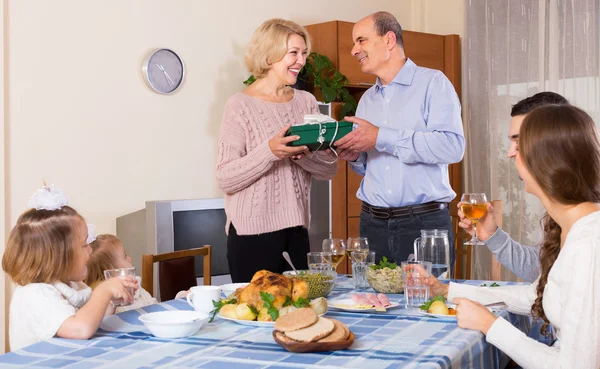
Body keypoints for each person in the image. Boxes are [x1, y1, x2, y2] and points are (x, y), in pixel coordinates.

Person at [423, 104, 600, 369]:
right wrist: (450, 290)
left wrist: (490, 325)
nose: (509, 154)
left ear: (547, 158)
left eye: (519, 146)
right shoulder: (571, 228)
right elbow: (534, 296)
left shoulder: (589, 244)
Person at [334, 11, 465, 268]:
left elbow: (452, 147)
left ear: (389, 40)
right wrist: (355, 156)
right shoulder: (367, 99)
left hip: (424, 224)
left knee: (428, 304)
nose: (354, 50)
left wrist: (380, 136)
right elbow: (368, 166)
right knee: (374, 305)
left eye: (361, 40)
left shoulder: (433, 83)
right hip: (372, 223)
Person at [216, 18, 337, 283]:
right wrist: (270, 151)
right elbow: (225, 177)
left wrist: (304, 157)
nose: (301, 61)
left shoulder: (306, 102)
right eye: (293, 53)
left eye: (303, 53)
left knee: (300, 314)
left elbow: (330, 169)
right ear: (269, 55)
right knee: (255, 318)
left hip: (296, 232)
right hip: (251, 237)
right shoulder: (239, 106)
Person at [2, 185, 138, 351]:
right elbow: (80, 329)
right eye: (83, 245)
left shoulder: (72, 285)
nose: (90, 249)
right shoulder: (35, 295)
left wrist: (110, 303)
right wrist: (103, 291)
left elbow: (91, 321)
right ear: (58, 256)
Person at [457, 92, 570, 282]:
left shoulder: (587, 221)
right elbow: (542, 270)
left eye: (519, 142)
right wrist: (492, 235)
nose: (510, 153)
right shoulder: (560, 207)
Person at [85, 234, 159, 313]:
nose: (129, 259)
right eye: (125, 256)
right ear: (111, 272)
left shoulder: (135, 285)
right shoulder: (105, 301)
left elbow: (154, 305)